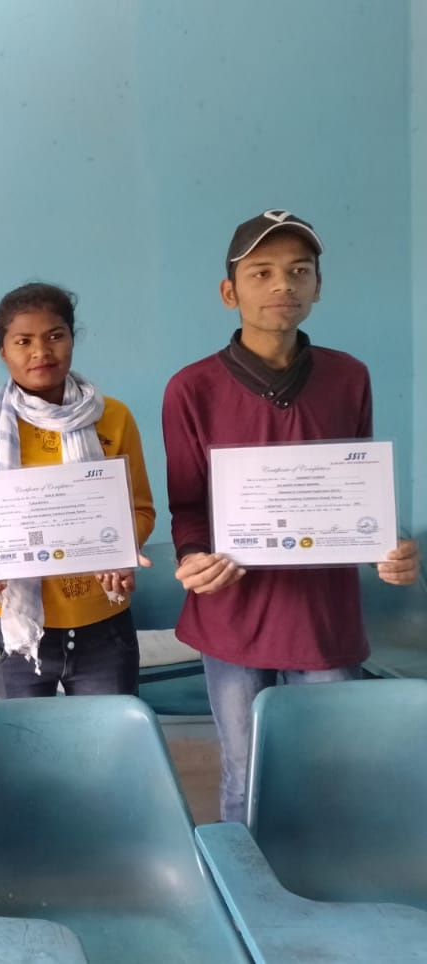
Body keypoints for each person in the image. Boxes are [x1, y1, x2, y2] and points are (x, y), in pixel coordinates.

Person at [162, 209, 421, 824]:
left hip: (323, 614)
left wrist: (389, 546)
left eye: (299, 271)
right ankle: (245, 878)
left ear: (318, 287)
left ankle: (325, 877)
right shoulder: (191, 388)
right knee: (244, 770)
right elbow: (188, 505)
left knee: (333, 770)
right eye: (262, 272)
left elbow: (356, 493)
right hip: (232, 612)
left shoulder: (348, 377)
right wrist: (193, 556)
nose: (283, 283)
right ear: (229, 293)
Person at [0, 282, 155, 699]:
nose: (41, 351)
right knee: (16, 738)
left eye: (55, 336)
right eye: (23, 341)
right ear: (3, 351)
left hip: (103, 622)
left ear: (73, 339)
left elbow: (141, 509)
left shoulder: (114, 418)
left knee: (108, 737)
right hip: (10, 625)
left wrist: (119, 550)